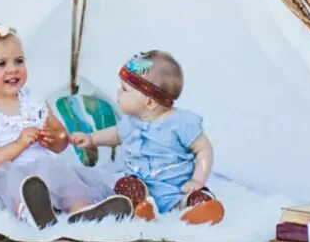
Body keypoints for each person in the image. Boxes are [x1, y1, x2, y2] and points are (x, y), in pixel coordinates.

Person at [0, 24, 133, 228]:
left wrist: (55, 139)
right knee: (15, 186)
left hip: (46, 169)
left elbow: (60, 138)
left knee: (67, 181)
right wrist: (19, 144)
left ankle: (83, 211)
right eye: (1, 64)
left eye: (19, 61)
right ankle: (32, 211)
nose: (13, 69)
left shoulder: (34, 102)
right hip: (5, 174)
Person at [69, 51, 224, 224]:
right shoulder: (131, 122)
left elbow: (203, 149)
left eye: (124, 89)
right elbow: (114, 134)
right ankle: (142, 207)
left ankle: (199, 209)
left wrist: (197, 179)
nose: (118, 92)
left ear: (149, 103)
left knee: (197, 197)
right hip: (144, 188)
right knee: (126, 185)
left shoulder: (181, 123)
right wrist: (91, 139)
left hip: (178, 190)